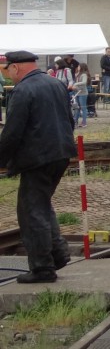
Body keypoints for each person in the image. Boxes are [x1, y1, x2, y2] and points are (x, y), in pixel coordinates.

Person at [0, 51, 75, 283]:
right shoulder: (56, 84)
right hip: (61, 153)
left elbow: (12, 132)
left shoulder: (22, 90)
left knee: (31, 212)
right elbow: (70, 120)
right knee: (41, 205)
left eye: (7, 70)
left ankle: (43, 269)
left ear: (15, 67)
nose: (8, 75)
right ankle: (58, 254)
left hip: (37, 158)